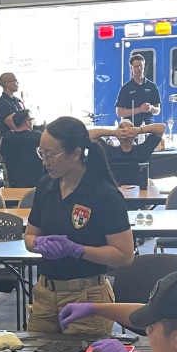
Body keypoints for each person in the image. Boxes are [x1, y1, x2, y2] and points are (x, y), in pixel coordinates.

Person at [24, 117, 134, 337]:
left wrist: (77, 250)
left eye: (51, 155)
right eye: (42, 153)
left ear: (75, 154)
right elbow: (29, 236)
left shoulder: (104, 193)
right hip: (45, 293)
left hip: (87, 296)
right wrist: (37, 243)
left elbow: (124, 255)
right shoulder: (46, 186)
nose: (45, 162)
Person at [0, 110, 45, 188]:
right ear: (27, 122)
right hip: (36, 184)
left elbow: (2, 158)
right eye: (32, 120)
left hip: (13, 184)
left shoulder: (6, 137)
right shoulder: (37, 136)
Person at [89, 120, 166, 163]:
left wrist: (139, 130)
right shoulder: (142, 152)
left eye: (129, 131)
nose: (126, 132)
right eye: (122, 131)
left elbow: (162, 127)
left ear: (134, 134)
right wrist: (114, 132)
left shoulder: (142, 151)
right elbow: (88, 134)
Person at [116, 54, 161, 126]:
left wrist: (150, 108)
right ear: (131, 68)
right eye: (136, 66)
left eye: (141, 65)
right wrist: (140, 109)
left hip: (148, 125)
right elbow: (119, 112)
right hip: (131, 125)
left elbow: (157, 110)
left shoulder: (152, 86)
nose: (139, 68)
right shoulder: (126, 88)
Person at [0, 72, 25, 138]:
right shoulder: (2, 103)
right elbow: (14, 125)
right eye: (15, 81)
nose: (17, 84)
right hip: (11, 140)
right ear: (7, 84)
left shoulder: (17, 100)